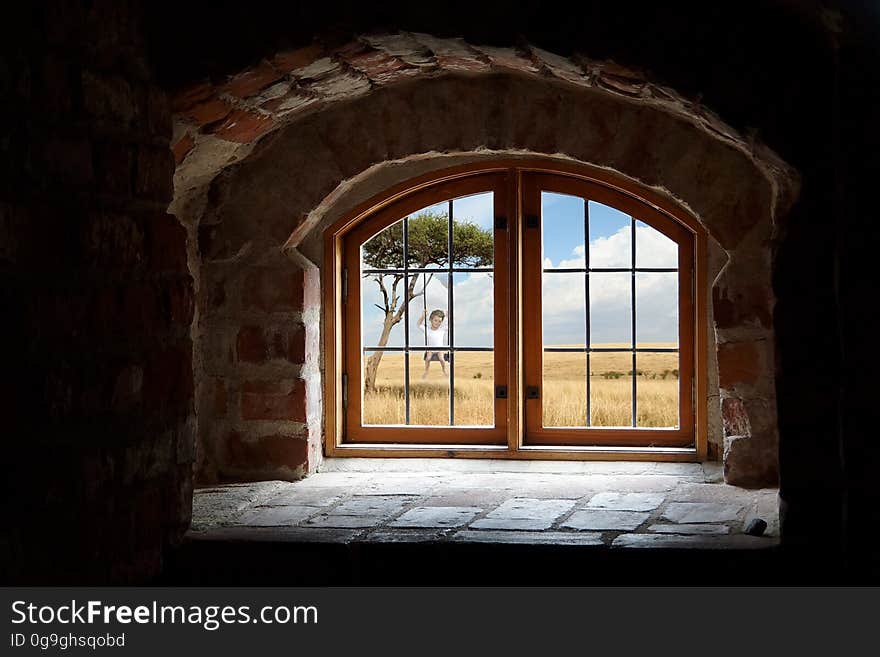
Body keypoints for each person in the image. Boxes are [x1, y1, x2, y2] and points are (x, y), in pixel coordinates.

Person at [418, 308, 448, 379]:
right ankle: (426, 371)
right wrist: (423, 316)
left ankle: (444, 370)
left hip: (440, 349)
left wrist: (448, 317)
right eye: (435, 320)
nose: (437, 323)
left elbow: (450, 325)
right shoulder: (427, 330)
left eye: (440, 321)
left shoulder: (442, 330)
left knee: (441, 359)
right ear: (431, 320)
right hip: (430, 349)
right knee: (428, 358)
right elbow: (419, 324)